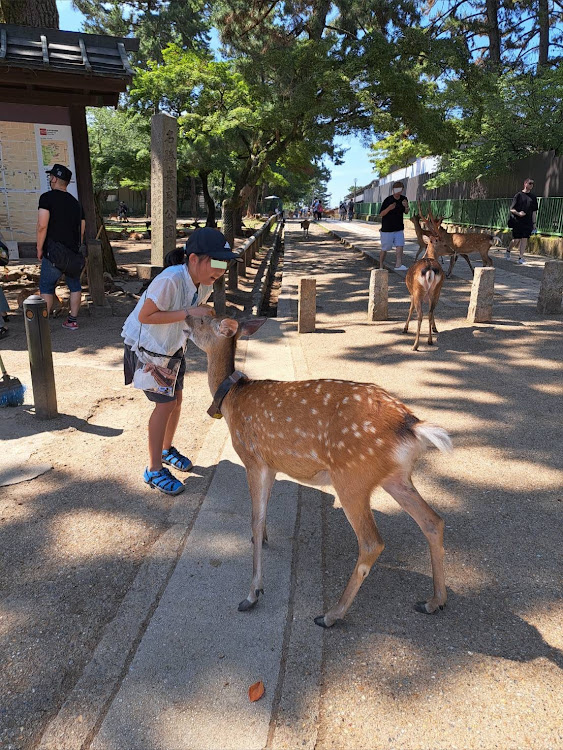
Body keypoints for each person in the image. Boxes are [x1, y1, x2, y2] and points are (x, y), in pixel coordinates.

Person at [121, 227, 241, 496]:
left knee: (177, 401)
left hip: (172, 347)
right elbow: (146, 316)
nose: (221, 269)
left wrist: (215, 324)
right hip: (149, 349)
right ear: (194, 259)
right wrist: (190, 311)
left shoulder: (205, 283)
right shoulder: (171, 279)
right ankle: (153, 469)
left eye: (225, 263)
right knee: (165, 406)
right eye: (216, 261)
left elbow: (194, 317)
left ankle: (165, 450)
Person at [37, 163, 85, 330]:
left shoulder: (46, 198)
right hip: (72, 253)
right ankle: (72, 320)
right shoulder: (76, 204)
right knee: (74, 286)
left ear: (55, 178)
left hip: (54, 253)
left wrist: (39, 248)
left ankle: (42, 326)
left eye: (51, 177)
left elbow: (42, 226)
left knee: (46, 287)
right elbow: (82, 230)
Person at [378, 181, 409, 270]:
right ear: (393, 190)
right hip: (387, 229)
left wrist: (406, 206)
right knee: (385, 248)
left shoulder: (404, 199)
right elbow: (381, 214)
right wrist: (389, 208)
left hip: (399, 228)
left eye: (400, 189)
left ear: (402, 190)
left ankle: (398, 265)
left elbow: (406, 212)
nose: (398, 192)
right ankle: (380, 265)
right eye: (396, 189)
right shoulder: (388, 200)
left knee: (400, 245)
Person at [507, 178, 538, 264]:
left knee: (524, 239)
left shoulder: (533, 197)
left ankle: (521, 258)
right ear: (525, 184)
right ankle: (508, 250)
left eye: (532, 184)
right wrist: (519, 213)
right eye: (530, 183)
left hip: (528, 222)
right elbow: (511, 209)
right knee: (516, 240)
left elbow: (534, 211)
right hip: (517, 221)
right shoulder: (518, 195)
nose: (531, 185)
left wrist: (534, 223)